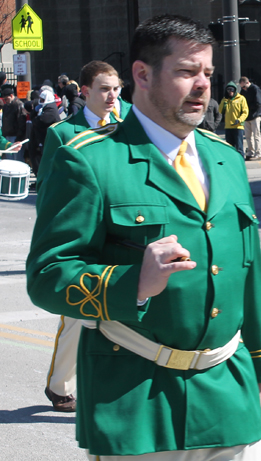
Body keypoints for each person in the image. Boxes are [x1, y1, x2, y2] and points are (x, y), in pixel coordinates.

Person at [27, 13, 261, 460]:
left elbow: (249, 272)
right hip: (135, 394)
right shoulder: (90, 160)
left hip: (227, 389)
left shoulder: (226, 160)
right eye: (185, 72)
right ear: (141, 74)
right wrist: (132, 284)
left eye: (208, 73)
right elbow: (48, 275)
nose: (203, 85)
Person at [35, 60, 127, 413]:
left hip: (123, 231)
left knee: (126, 308)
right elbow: (47, 188)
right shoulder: (64, 133)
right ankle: (60, 386)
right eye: (105, 89)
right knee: (77, 312)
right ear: (85, 92)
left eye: (116, 88)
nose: (112, 96)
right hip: (82, 237)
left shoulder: (129, 122)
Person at [28, 90, 60, 175]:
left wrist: (35, 118)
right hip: (41, 139)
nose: (41, 102)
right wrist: (35, 111)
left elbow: (41, 121)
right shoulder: (44, 108)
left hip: (47, 139)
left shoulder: (51, 109)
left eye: (43, 100)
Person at [219, 81, 248, 157]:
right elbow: (220, 110)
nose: (230, 92)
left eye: (232, 90)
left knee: (239, 148)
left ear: (235, 90)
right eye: (228, 90)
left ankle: (241, 163)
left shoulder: (241, 99)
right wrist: (224, 102)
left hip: (238, 127)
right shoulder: (225, 100)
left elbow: (245, 112)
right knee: (230, 147)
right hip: (228, 127)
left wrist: (239, 120)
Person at [1, 85, 27, 161]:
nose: (5, 101)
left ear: (11, 96)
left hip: (15, 136)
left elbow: (21, 123)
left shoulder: (18, 104)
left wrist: (19, 137)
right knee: (9, 160)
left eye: (6, 99)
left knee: (17, 159)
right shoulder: (6, 106)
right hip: (7, 135)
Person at [239, 76, 261, 161]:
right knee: (248, 136)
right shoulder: (243, 91)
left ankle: (258, 153)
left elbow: (258, 103)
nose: (243, 89)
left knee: (256, 135)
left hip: (255, 115)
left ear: (247, 82)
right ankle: (250, 151)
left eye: (244, 87)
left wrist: (247, 108)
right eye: (242, 87)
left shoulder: (255, 89)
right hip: (247, 116)